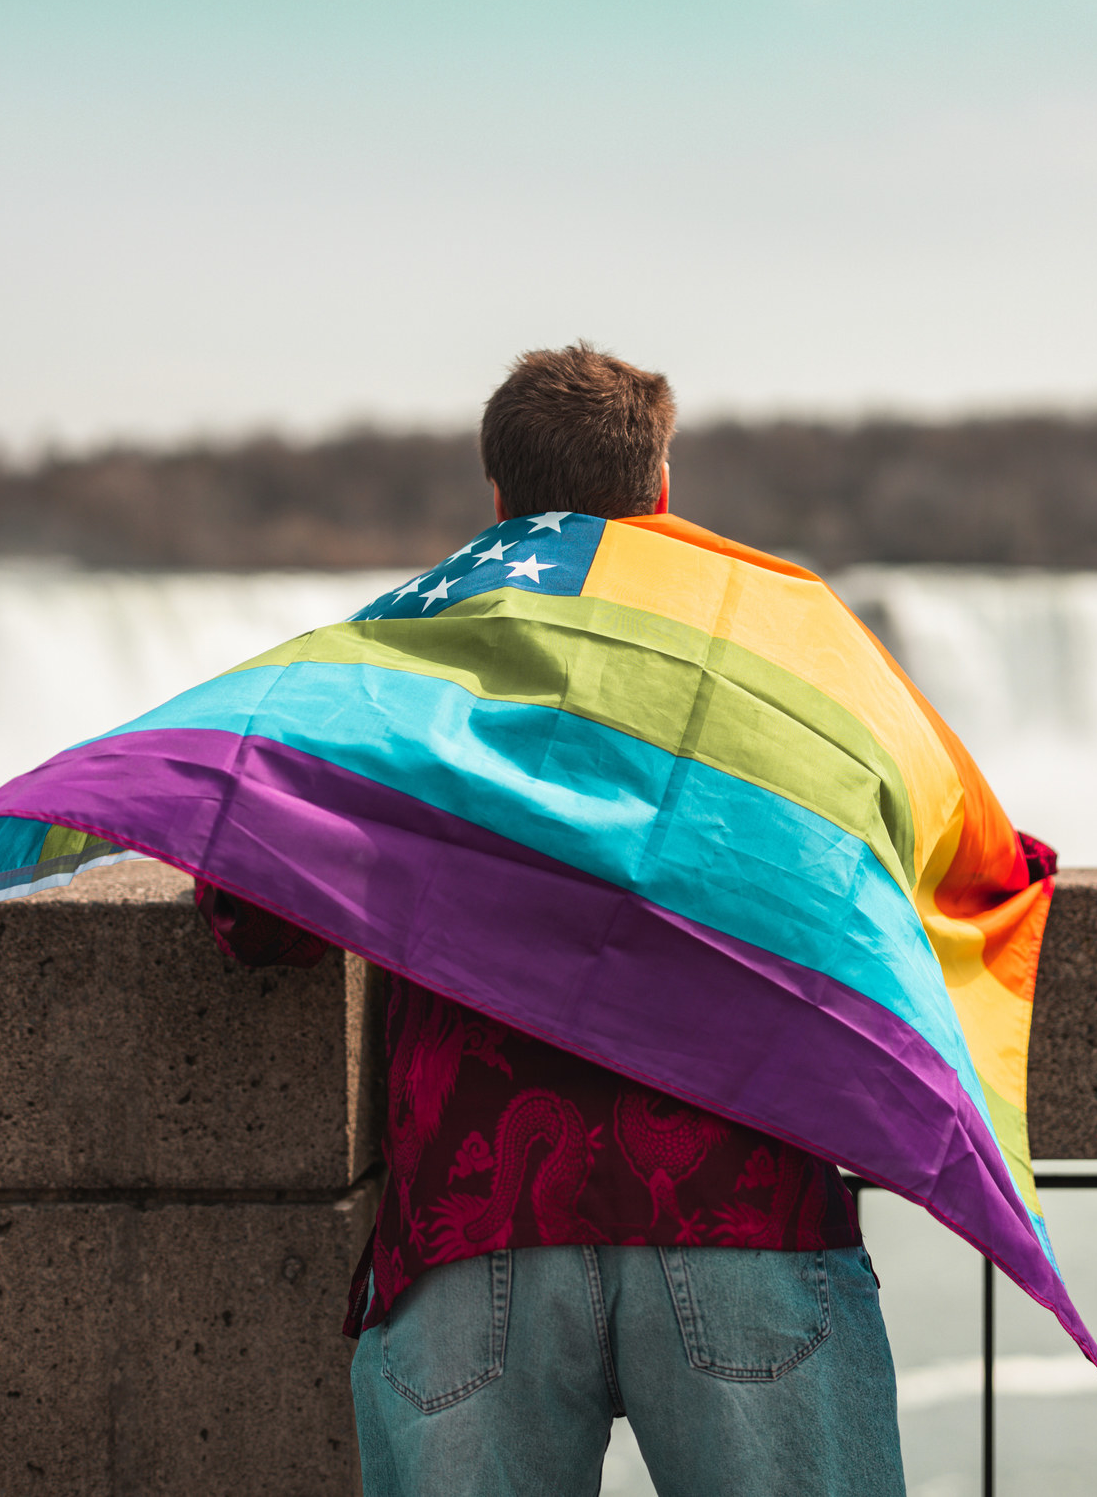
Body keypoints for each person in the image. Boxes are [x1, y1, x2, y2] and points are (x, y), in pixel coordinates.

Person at [196, 343, 908, 1496]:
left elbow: (251, 913)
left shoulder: (410, 656)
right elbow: (894, 862)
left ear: (496, 497)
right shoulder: (768, 662)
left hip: (475, 1219)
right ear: (661, 491)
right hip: (739, 1198)